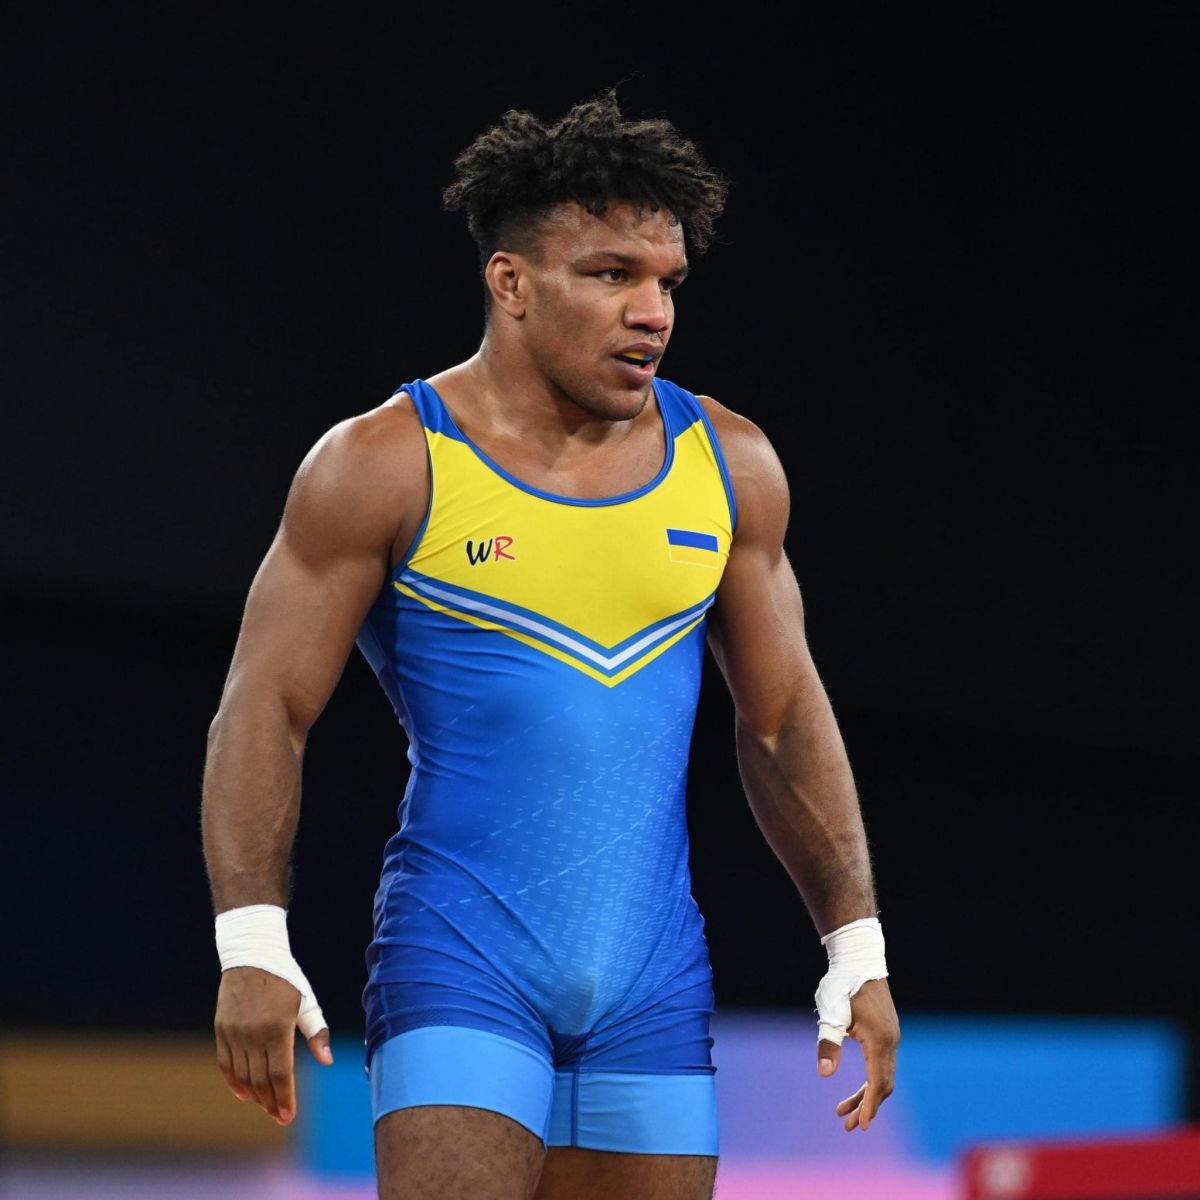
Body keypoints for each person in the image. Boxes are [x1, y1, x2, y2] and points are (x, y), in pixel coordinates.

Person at [202, 91, 900, 1200]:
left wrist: (855, 945)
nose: (652, 313)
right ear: (511, 283)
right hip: (460, 959)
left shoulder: (730, 465)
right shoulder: (385, 465)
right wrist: (251, 941)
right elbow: (264, 707)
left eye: (667, 281)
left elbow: (781, 720)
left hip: (652, 981)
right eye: (612, 274)